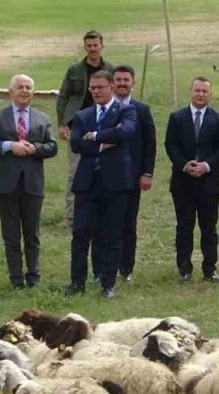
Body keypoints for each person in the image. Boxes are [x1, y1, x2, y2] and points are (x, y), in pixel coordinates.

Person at [67, 70, 137, 299]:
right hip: (87, 183)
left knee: (113, 235)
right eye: (92, 88)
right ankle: (77, 282)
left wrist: (95, 136)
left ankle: (108, 283)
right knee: (80, 234)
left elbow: (125, 133)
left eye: (100, 87)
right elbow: (76, 143)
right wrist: (102, 143)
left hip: (116, 183)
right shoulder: (83, 115)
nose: (96, 91)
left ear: (111, 88)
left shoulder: (125, 110)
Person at [0, 74, 58, 290]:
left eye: (28, 87)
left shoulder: (43, 118)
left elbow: (52, 147)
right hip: (6, 184)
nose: (24, 91)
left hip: (33, 184)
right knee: (11, 234)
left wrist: (35, 149)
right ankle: (16, 278)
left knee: (32, 233)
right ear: (11, 92)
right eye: (20, 87)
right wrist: (9, 146)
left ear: (33, 92)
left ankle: (33, 276)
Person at [165, 76, 219, 282]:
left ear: (210, 94)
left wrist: (206, 166)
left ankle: (210, 269)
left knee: (209, 228)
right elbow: (170, 145)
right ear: (190, 91)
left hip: (209, 183)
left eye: (204, 91)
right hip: (182, 182)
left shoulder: (218, 119)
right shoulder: (177, 117)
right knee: (184, 227)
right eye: (197, 90)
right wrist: (184, 165)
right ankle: (184, 268)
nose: (200, 94)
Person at [56, 31, 113, 227]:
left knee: (105, 170)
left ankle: (101, 214)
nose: (92, 49)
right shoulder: (74, 70)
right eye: (89, 45)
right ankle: (70, 217)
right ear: (85, 47)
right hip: (77, 127)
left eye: (95, 45)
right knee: (75, 172)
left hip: (104, 127)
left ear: (102, 45)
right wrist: (62, 124)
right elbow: (63, 96)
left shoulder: (111, 70)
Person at [106, 64, 155, 283]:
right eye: (118, 80)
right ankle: (104, 267)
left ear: (133, 83)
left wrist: (147, 173)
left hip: (132, 177)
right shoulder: (103, 107)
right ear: (112, 83)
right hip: (105, 176)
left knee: (128, 224)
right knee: (105, 223)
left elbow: (149, 144)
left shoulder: (141, 110)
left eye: (127, 80)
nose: (122, 83)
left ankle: (126, 269)